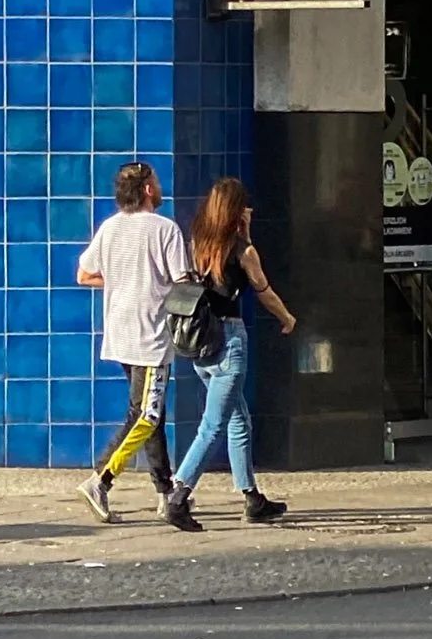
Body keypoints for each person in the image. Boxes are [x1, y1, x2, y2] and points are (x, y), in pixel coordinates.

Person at [164, 177, 296, 532]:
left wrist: (245, 234)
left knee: (239, 420)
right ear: (237, 210)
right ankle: (178, 496)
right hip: (229, 343)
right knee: (213, 426)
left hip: (202, 342)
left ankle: (252, 497)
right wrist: (287, 318)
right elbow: (263, 290)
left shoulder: (199, 244)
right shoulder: (243, 252)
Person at [76, 160, 189, 524]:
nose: (160, 186)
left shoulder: (109, 228)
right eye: (156, 181)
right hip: (150, 336)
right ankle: (100, 479)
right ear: (147, 190)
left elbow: (84, 274)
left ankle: (164, 491)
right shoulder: (164, 229)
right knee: (146, 415)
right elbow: (182, 283)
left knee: (150, 414)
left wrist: (121, 282)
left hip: (120, 332)